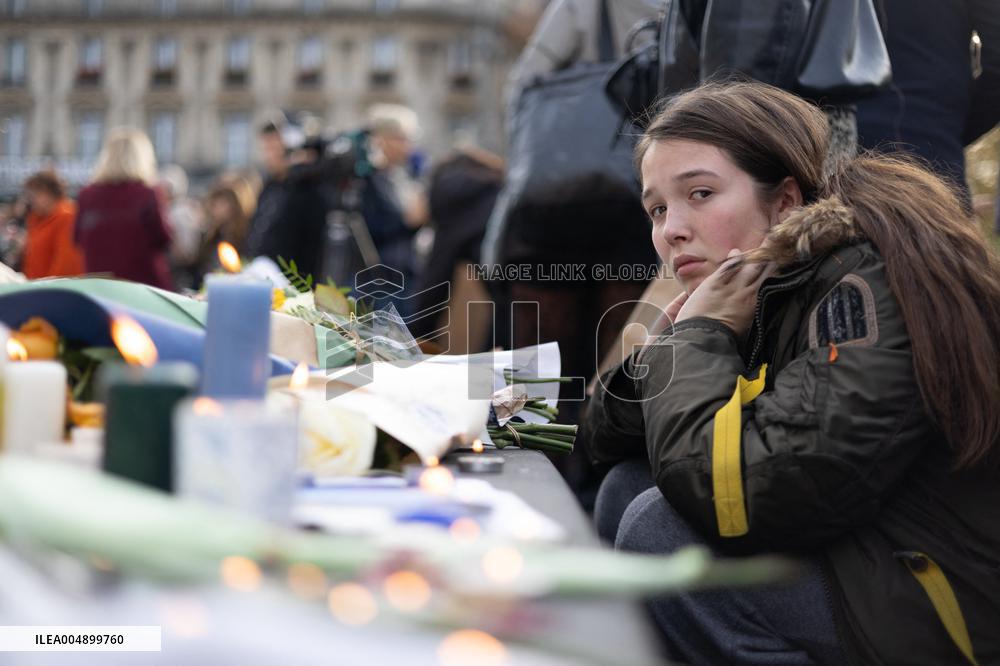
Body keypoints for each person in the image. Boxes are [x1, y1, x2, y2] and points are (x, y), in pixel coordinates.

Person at [584, 82, 1000, 665]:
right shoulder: (765, 288)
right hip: (858, 547)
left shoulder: (864, 283)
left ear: (784, 203)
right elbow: (602, 439)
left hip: (938, 599)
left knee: (659, 531)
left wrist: (697, 342)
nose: (670, 229)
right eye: (656, 208)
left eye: (699, 193)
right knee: (627, 485)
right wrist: (675, 345)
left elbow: (749, 500)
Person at [74, 128, 174, 290]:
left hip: (100, 284)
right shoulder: (148, 193)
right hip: (142, 286)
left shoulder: (87, 195)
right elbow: (164, 238)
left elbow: (78, 239)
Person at [20, 171, 83, 279]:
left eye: (35, 194)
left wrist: (49, 291)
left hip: (51, 290)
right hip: (36, 287)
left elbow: (65, 264)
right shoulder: (37, 219)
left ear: (49, 193)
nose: (31, 200)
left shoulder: (67, 216)